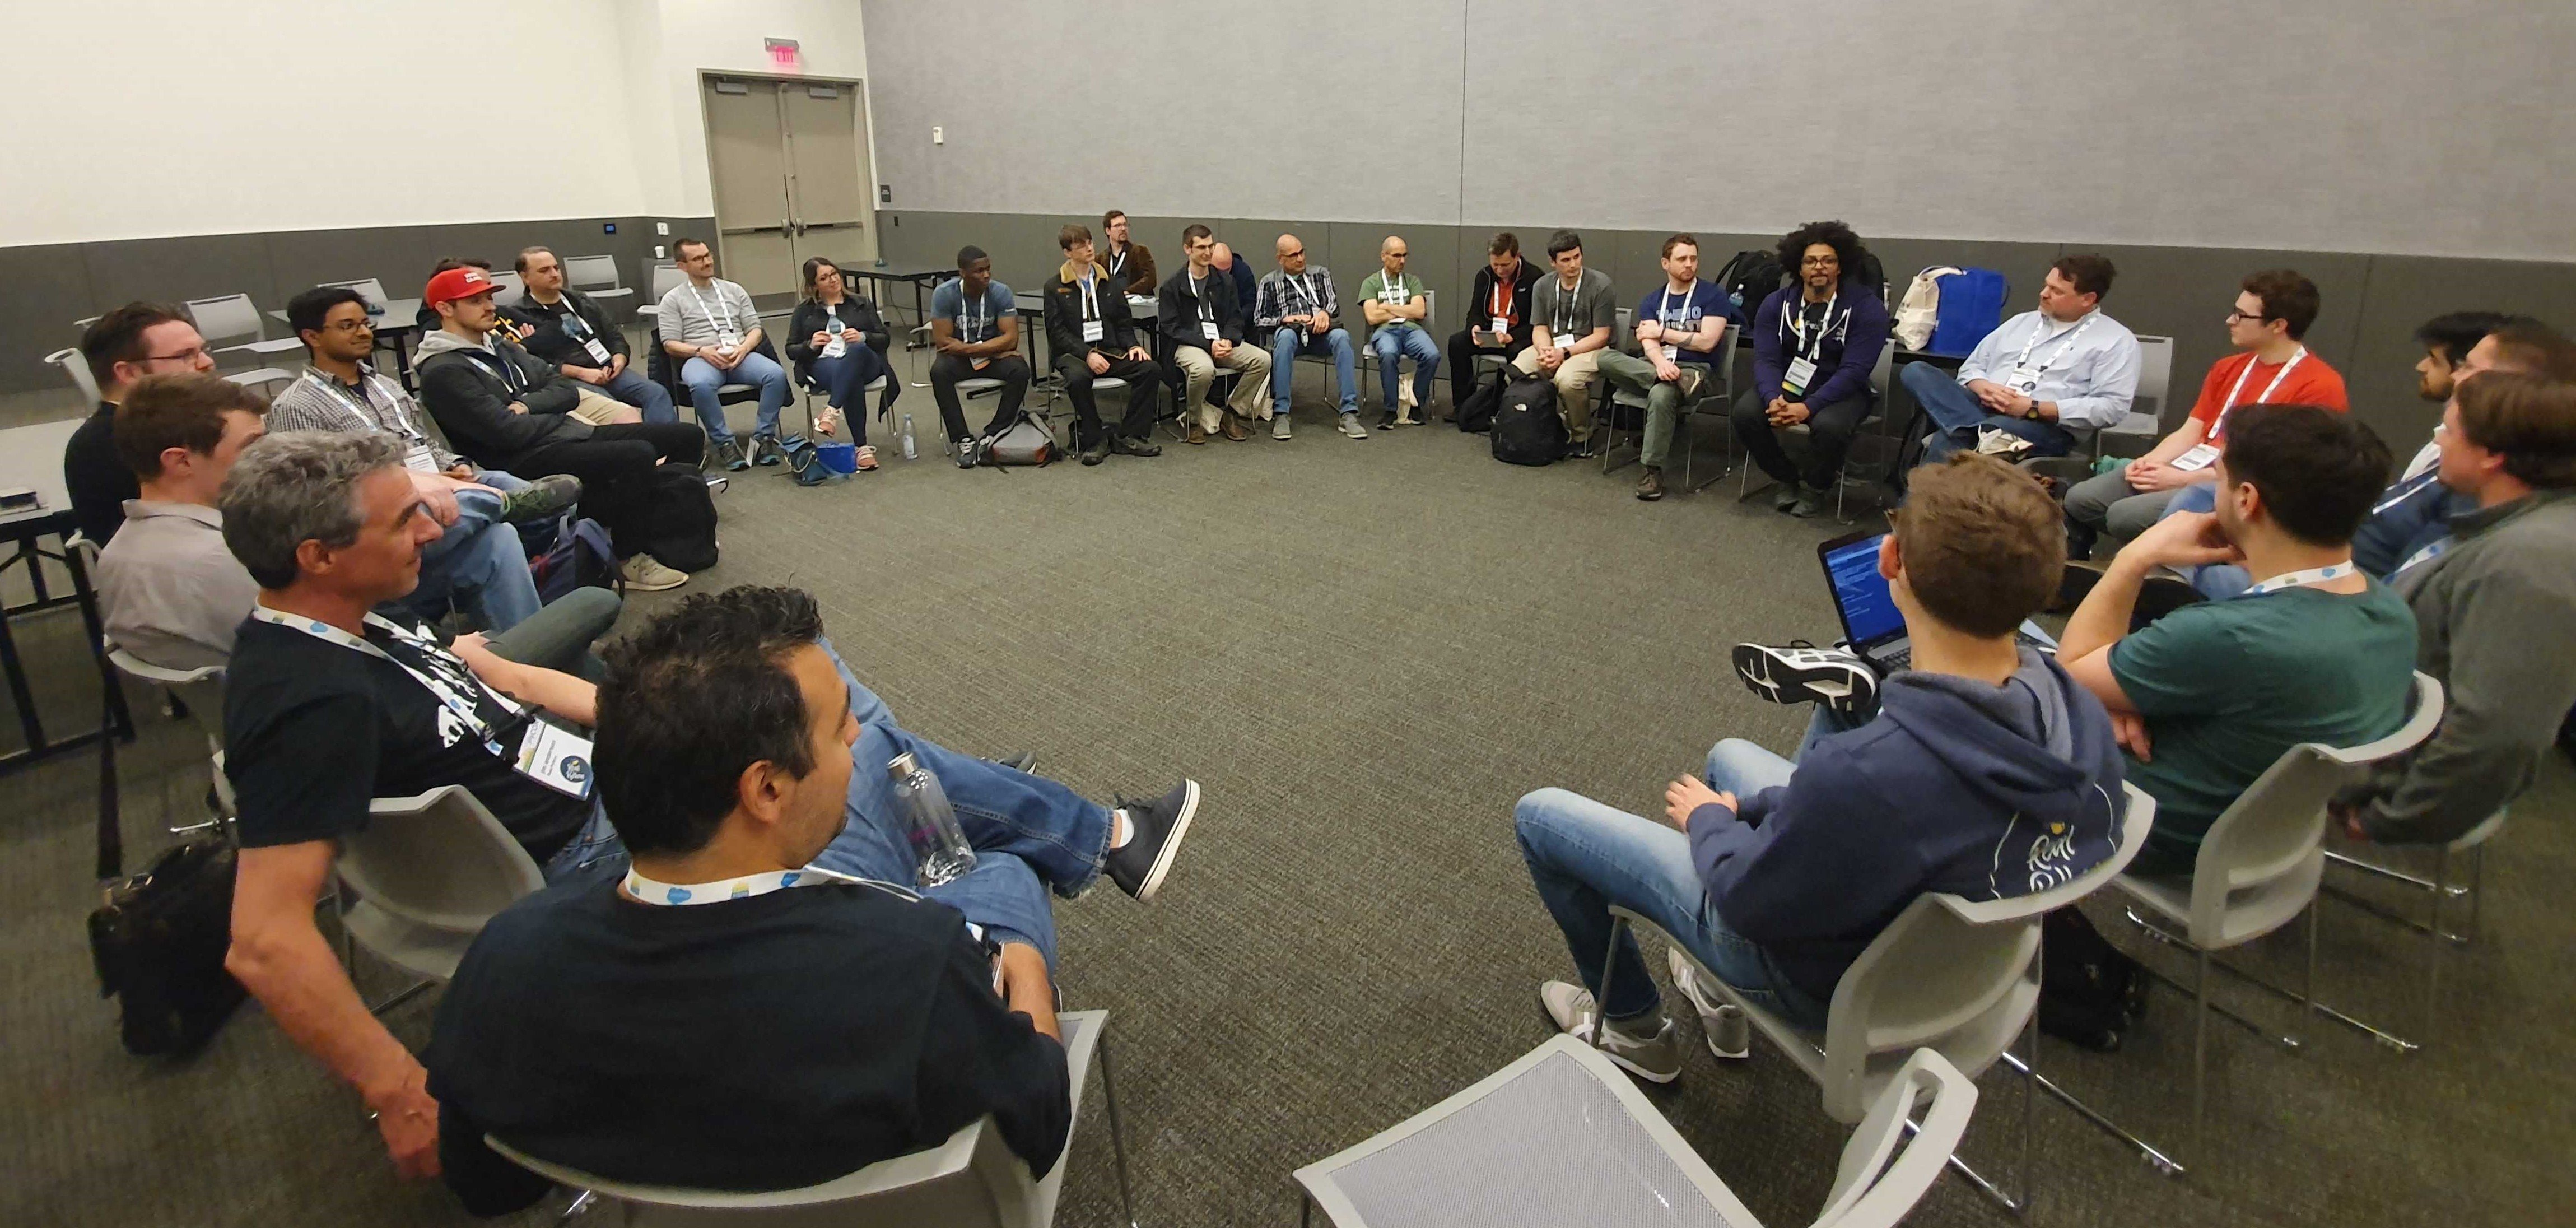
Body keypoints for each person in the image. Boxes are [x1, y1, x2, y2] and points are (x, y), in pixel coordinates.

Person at [423, 586, 1206, 1211]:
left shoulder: (503, 963)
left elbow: (489, 1185)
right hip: (927, 1067)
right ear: (764, 789)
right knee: (990, 865)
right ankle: (1059, 838)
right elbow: (1038, 1119)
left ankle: (991, 824)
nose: (856, 741)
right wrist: (1025, 967)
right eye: (839, 734)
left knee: (924, 805)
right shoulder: (912, 969)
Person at [1515, 454, 2126, 1078]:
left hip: (1825, 980)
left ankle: (1633, 1030)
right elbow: (1852, 812)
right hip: (1968, 974)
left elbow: (1749, 899)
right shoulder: (2071, 703)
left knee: (1541, 817)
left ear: (1891, 559)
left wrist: (1710, 823)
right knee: (1729, 758)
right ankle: (1713, 995)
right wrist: (1748, 809)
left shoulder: (1869, 771)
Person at [217, 431, 625, 1180]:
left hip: (589, 784)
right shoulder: (308, 702)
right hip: (582, 852)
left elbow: (511, 686)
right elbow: (264, 939)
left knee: (796, 695)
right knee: (839, 754)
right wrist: (397, 1087)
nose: (433, 533)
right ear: (318, 555)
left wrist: (649, 719)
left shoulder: (355, 616)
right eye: (404, 520)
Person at [2055, 404, 2415, 876]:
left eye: (2218, 479)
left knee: (2002, 701)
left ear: (2246, 500)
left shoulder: (2229, 637)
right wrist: (2116, 694)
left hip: (2153, 832)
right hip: (2265, 832)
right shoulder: (2390, 611)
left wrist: (2134, 558)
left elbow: (2070, 669)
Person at [2333, 370, 2576, 847]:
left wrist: (2393, 818)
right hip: (2371, 714)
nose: (2438, 442)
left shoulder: (2528, 562)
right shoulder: (2525, 528)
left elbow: (2500, 734)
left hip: (2365, 757)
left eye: (2448, 430)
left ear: (2491, 456)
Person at [416, 265, 704, 593]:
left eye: (489, 298)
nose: (491, 307)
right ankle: (626, 559)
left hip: (564, 433)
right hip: (524, 456)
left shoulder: (498, 344)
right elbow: (507, 433)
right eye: (476, 301)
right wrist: (546, 408)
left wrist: (528, 406)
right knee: (637, 455)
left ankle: (654, 530)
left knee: (685, 437)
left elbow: (565, 390)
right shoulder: (444, 370)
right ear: (445, 309)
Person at [2062, 271, 2349, 557]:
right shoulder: (2228, 368)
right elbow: (2192, 430)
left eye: (2241, 315)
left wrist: (2182, 480)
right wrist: (2150, 463)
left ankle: (2159, 581)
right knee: (2080, 500)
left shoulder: (2319, 386)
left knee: (2126, 517)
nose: (2230, 321)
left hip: (2237, 487)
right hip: (2189, 467)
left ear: (2278, 325)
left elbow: (2279, 472)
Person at [271, 285, 581, 514]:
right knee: (493, 520)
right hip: (382, 501)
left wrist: (455, 465)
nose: (364, 333)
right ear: (312, 337)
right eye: (348, 326)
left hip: (438, 477)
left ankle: (502, 514)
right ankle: (498, 508)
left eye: (366, 324)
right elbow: (316, 489)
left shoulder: (387, 386)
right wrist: (415, 481)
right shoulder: (297, 406)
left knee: (537, 502)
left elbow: (423, 442)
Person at [1901, 254, 2140, 462]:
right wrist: (1984, 387)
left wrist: (2032, 408)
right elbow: (1971, 368)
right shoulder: (2021, 323)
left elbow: (2112, 407)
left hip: (2043, 426)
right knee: (1917, 371)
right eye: (2047, 285)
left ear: (2088, 299)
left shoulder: (2115, 341)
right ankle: (1977, 433)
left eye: (2057, 291)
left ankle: (1916, 510)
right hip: (1982, 407)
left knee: (1956, 435)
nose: (2044, 294)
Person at [1732, 222, 1894, 516]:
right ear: (1799, 267)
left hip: (1844, 389)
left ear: (1840, 266)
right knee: (1746, 413)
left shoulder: (1866, 308)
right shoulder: (1776, 304)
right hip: (1789, 385)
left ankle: (1816, 486)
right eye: (1811, 261)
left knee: (1829, 426)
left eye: (1828, 260)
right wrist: (1772, 398)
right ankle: (1787, 477)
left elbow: (1855, 370)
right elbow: (1766, 359)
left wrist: (1808, 408)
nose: (1819, 267)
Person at [64, 304, 220, 546]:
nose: (206, 362)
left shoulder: (169, 425)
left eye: (204, 350)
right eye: (185, 356)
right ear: (129, 373)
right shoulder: (107, 446)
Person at [658, 238, 796, 471]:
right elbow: (670, 344)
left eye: (708, 255)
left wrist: (744, 348)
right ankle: (725, 443)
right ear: (682, 266)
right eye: (698, 259)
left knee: (775, 375)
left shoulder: (734, 290)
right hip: (701, 357)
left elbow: (755, 329)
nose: (707, 262)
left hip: (740, 354)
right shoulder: (673, 299)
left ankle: (764, 437)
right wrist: (701, 351)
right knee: (700, 384)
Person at [1621, 234, 1737, 503]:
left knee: (1661, 396)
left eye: (1693, 259)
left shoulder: (1713, 295)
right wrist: (1661, 365)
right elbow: (1647, 340)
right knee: (1604, 358)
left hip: (1696, 369)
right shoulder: (1652, 300)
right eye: (1682, 259)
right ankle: (1670, 379)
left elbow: (1707, 343)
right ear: (1665, 263)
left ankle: (1652, 472)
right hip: (1658, 364)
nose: (1689, 265)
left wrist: (1663, 331)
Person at [505, 246, 676, 425]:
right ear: (525, 278)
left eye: (556, 268)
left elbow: (613, 335)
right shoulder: (520, 316)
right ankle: (646, 452)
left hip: (608, 368)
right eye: (544, 270)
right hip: (570, 379)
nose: (554, 274)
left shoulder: (581, 301)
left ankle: (667, 447)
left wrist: (619, 358)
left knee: (657, 393)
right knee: (615, 410)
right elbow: (533, 365)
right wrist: (581, 373)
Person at [1043, 224, 1165, 465]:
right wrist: (1087, 354)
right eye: (1081, 246)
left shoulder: (1109, 283)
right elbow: (1057, 334)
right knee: (1078, 379)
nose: (1089, 249)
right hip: (1073, 354)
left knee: (1150, 369)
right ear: (1068, 252)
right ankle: (1094, 438)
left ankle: (1130, 435)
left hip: (1109, 350)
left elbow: (1123, 322)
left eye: (1090, 243)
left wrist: (1132, 346)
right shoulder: (1055, 287)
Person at [1158, 225, 1273, 444]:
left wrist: (1229, 339)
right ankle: (1194, 421)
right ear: (1187, 249)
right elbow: (1171, 328)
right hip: (1189, 343)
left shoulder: (1225, 281)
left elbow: (1235, 317)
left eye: (1210, 246)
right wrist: (1207, 344)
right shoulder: (1172, 286)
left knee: (1263, 360)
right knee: (1203, 369)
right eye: (1201, 247)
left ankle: (1231, 414)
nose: (1207, 252)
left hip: (1221, 341)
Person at [1508, 230, 1619, 457]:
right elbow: (1539, 328)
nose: (1573, 264)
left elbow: (1601, 336)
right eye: (1566, 260)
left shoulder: (1601, 285)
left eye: (1577, 257)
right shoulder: (1542, 286)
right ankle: (1540, 423)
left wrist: (1564, 353)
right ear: (1553, 263)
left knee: (1567, 380)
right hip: (1555, 344)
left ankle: (1582, 435)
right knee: (1517, 370)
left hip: (1591, 347)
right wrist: (1546, 351)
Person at [928, 245, 1033, 468]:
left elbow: (1012, 339)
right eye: (979, 271)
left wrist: (967, 349)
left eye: (988, 269)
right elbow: (943, 342)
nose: (986, 275)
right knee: (939, 372)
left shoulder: (1001, 292)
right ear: (963, 273)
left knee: (1020, 370)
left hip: (989, 358)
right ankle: (963, 439)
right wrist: (993, 348)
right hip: (969, 359)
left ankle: (992, 433)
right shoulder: (944, 294)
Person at [783, 257, 898, 460]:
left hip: (866, 362)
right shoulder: (804, 310)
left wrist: (863, 336)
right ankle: (861, 448)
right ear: (814, 286)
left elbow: (884, 339)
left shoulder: (861, 304)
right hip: (825, 363)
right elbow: (791, 349)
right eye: (825, 278)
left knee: (856, 350)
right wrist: (810, 345)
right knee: (850, 379)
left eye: (834, 274)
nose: (833, 280)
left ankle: (832, 410)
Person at [1255, 233, 1362, 440]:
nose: (1301, 259)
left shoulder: (1320, 274)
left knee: (1342, 337)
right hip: (1292, 335)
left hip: (1320, 334)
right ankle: (1282, 413)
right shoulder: (1269, 282)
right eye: (1294, 255)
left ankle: (1349, 413)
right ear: (1281, 259)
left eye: (1302, 252)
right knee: (1284, 339)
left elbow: (1332, 303)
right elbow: (1259, 319)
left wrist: (1324, 313)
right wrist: (1284, 319)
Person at [1445, 232, 1543, 413]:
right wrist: (1475, 328)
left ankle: (1511, 408)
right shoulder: (1484, 276)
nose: (1499, 270)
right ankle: (1465, 407)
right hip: (1491, 334)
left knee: (1518, 353)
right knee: (1457, 343)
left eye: (1505, 265)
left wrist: (1511, 337)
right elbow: (1474, 312)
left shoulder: (1534, 278)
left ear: (1517, 256)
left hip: (1518, 336)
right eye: (1495, 264)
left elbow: (1537, 324)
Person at [1359, 235, 1440, 431]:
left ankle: (1416, 403)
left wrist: (1387, 307)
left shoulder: (1413, 281)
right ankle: (1390, 409)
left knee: (1432, 355)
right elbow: (1371, 317)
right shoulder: (1371, 283)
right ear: (1384, 256)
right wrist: (1404, 309)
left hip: (1412, 330)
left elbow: (1419, 312)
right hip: (1384, 332)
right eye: (1396, 256)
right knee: (1388, 354)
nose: (1402, 261)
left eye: (1404, 256)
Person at [1101, 209, 1157, 297]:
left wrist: (1128, 292)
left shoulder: (1140, 251)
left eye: (1125, 225)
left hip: (1136, 303)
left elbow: (1150, 280)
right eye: (1118, 226)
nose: (1123, 229)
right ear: (1108, 231)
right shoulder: (1101, 258)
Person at [1210, 240, 1260, 325]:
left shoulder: (1243, 271)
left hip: (1238, 324)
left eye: (1227, 270)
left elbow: (1250, 304)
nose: (1224, 275)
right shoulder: (1201, 272)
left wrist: (1235, 324)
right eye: (1219, 271)